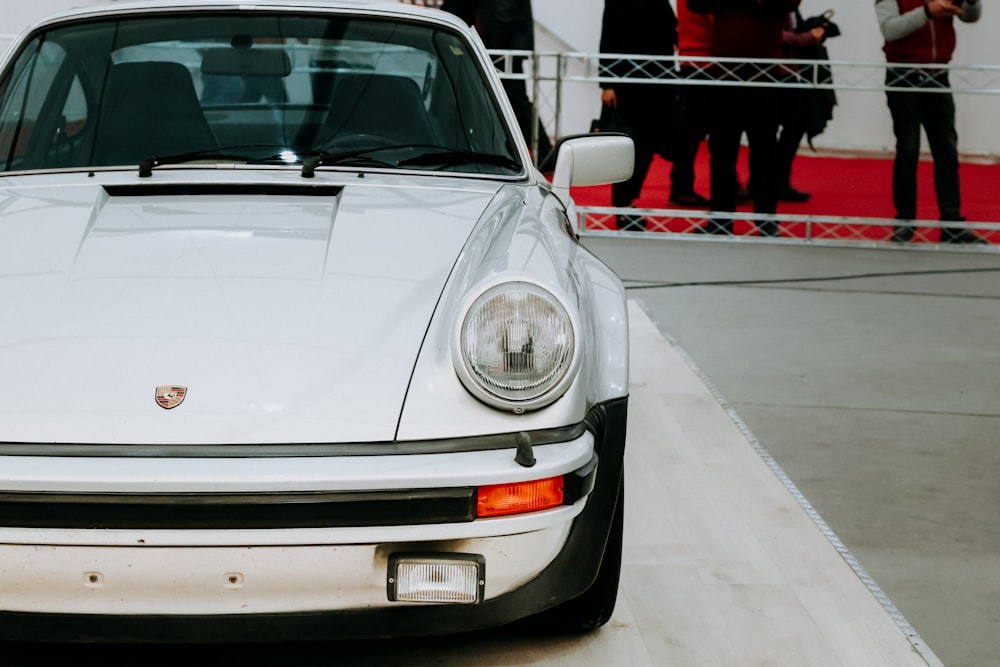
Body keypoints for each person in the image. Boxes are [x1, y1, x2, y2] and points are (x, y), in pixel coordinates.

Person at [687, 0, 801, 236]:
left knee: (764, 152)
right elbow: (696, 4)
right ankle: (721, 219)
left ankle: (766, 219)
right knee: (721, 152)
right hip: (725, 75)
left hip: (764, 75)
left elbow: (789, 3)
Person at [876, 0, 985, 244]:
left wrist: (972, 2)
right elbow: (890, 29)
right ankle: (905, 222)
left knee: (947, 151)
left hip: (938, 75)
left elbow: (970, 17)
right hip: (903, 76)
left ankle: (951, 224)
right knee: (908, 150)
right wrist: (927, 12)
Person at [598, 0, 679, 230]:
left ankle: (631, 202)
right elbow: (608, 37)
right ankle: (624, 206)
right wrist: (607, 83)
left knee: (646, 147)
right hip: (628, 86)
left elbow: (672, 33)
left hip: (657, 85)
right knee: (627, 147)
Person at [440, 0, 553, 165]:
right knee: (509, 101)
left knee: (515, 101)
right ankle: (544, 156)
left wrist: (496, 49)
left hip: (501, 48)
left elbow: (505, 9)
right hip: (491, 45)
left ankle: (545, 156)